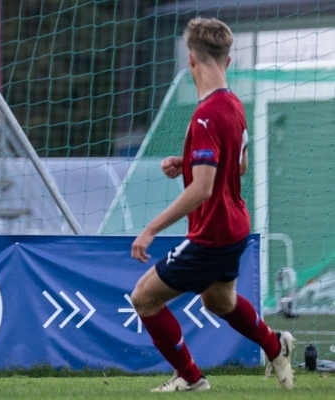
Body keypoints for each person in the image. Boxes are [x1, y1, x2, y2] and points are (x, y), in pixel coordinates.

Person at [129, 18, 295, 392]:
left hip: (212, 233)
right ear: (228, 60)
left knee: (144, 299)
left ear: (190, 60)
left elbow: (203, 190)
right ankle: (276, 344)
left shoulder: (205, 114)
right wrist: (186, 161)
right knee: (219, 302)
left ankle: (191, 378)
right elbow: (240, 164)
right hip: (235, 226)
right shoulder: (233, 103)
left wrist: (151, 228)